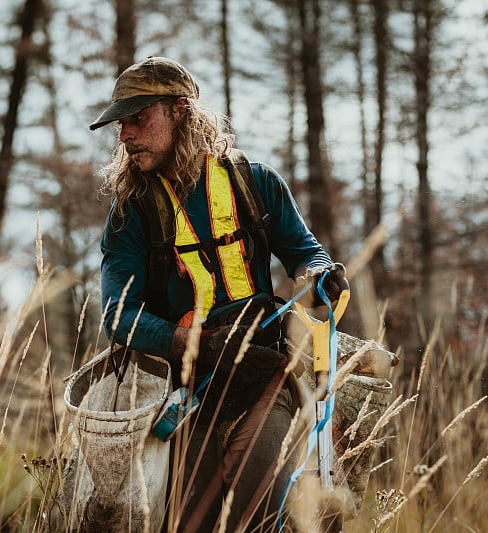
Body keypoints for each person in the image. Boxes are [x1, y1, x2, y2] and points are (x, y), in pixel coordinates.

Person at [91, 56, 348, 532]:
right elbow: (117, 314)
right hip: (185, 390)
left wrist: (319, 275)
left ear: (180, 111)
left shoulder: (257, 184)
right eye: (121, 123)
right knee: (195, 519)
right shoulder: (130, 213)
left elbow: (305, 251)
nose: (125, 134)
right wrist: (198, 346)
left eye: (138, 118)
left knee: (253, 500)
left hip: (263, 371)